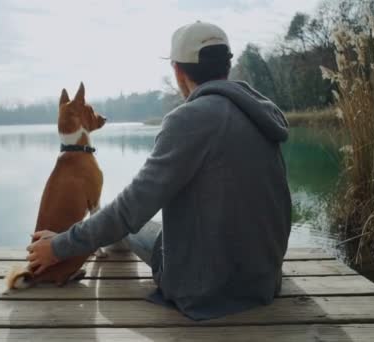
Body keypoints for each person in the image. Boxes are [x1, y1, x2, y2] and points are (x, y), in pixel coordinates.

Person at [27, 21, 291, 320]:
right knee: (133, 221)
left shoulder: (189, 119)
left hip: (205, 288)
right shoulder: (259, 112)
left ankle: (83, 245)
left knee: (126, 225)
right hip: (264, 279)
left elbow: (129, 211)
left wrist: (59, 246)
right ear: (226, 65)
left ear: (178, 71)